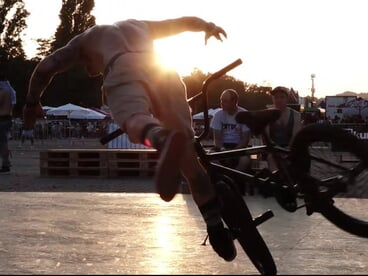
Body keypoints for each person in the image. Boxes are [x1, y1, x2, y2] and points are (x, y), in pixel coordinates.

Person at [22, 17, 236, 261]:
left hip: (125, 67)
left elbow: (47, 67)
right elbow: (180, 23)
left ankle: (159, 137)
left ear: (88, 59)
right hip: (163, 72)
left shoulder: (84, 41)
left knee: (135, 120)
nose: (95, 73)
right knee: (190, 163)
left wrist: (31, 101)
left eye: (93, 70)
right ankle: (215, 225)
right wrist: (207, 26)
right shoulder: (138, 25)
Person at [210, 89, 251, 172]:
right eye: (221, 100)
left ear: (234, 102)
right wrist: (222, 149)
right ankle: (223, 176)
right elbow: (217, 138)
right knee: (209, 157)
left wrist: (234, 151)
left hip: (238, 147)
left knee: (245, 160)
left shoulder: (244, 115)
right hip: (222, 146)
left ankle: (233, 177)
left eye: (224, 101)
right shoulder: (218, 115)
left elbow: (245, 139)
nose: (221, 103)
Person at [265, 86, 302, 171]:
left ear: (287, 99)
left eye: (282, 97)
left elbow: (295, 137)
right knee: (272, 158)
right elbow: (266, 138)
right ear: (272, 99)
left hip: (290, 148)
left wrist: (287, 150)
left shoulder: (296, 115)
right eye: (276, 97)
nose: (279, 100)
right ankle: (277, 180)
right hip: (273, 149)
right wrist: (276, 150)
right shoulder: (266, 115)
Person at [0, 72, 16, 173]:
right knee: (3, 142)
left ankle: (6, 164)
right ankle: (6, 163)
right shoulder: (10, 92)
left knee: (2, 143)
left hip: (2, 119)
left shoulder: (3, 92)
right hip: (7, 118)